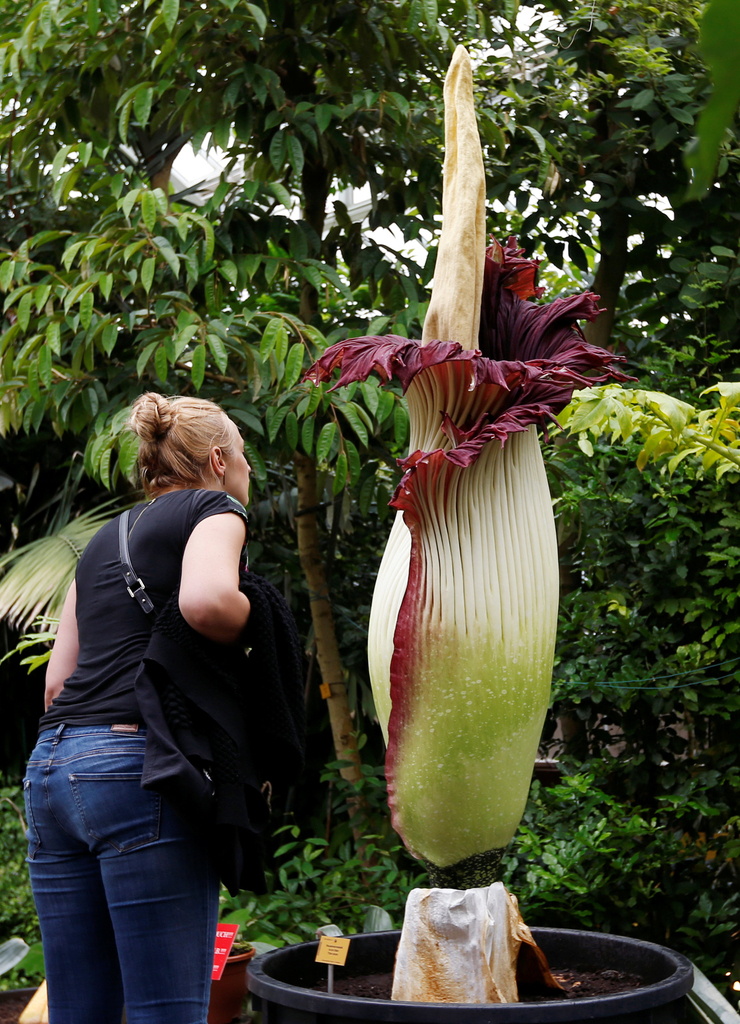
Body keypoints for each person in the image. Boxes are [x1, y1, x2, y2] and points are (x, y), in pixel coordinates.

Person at [23, 392, 257, 1024]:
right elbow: (208, 602)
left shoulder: (100, 540)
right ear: (216, 460)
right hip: (136, 770)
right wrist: (257, 620)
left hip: (51, 770)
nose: (247, 469)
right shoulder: (216, 508)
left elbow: (56, 681)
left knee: (80, 1011)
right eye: (242, 453)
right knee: (166, 1012)